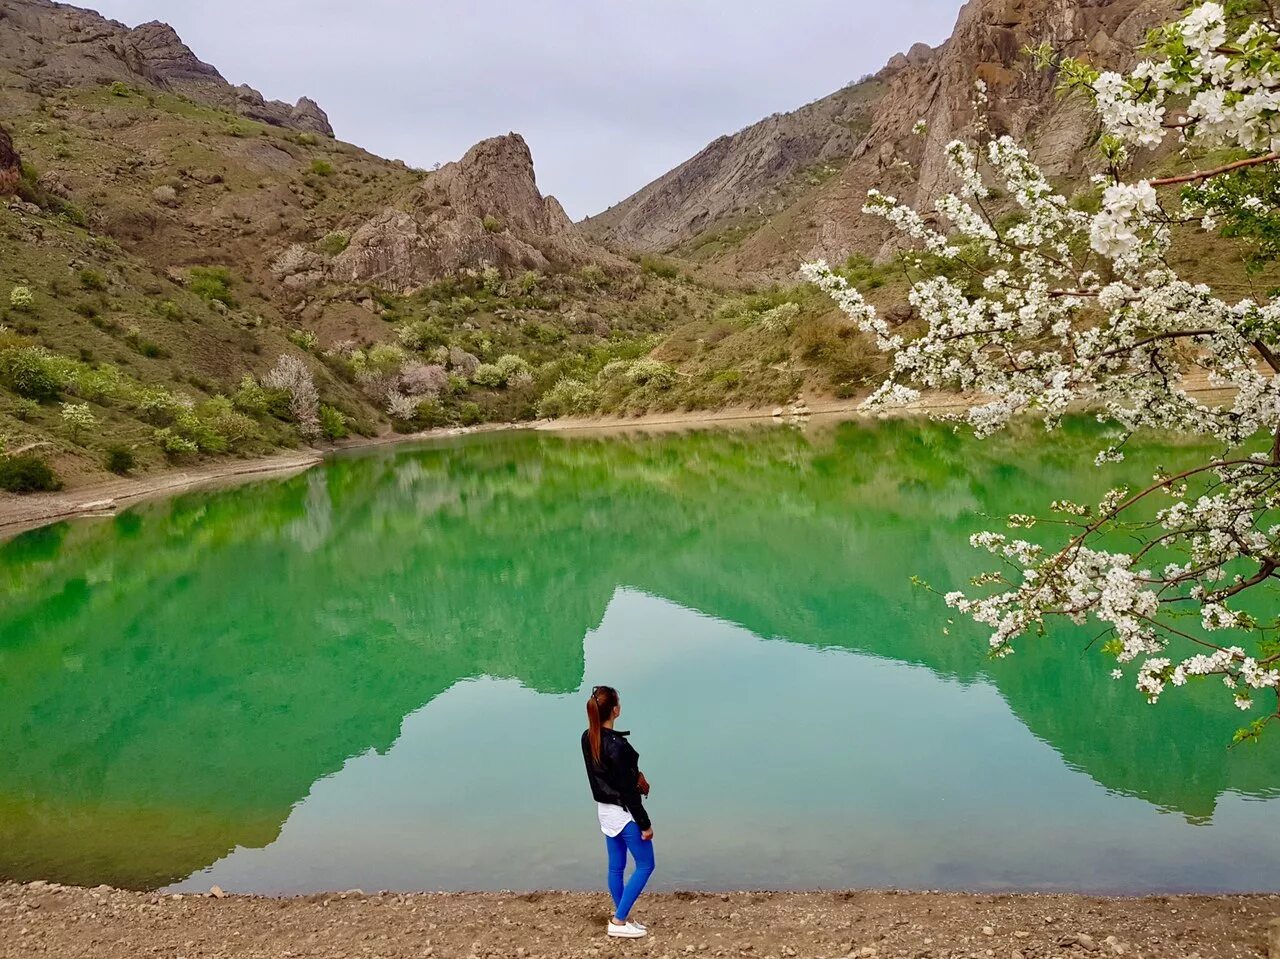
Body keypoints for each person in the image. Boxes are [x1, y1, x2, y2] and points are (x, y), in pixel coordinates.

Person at [581, 684, 655, 939]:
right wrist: (645, 824)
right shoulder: (618, 747)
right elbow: (628, 793)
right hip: (623, 814)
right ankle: (619, 920)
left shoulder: (587, 737)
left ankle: (623, 916)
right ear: (615, 710)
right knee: (646, 864)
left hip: (604, 811)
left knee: (616, 867)